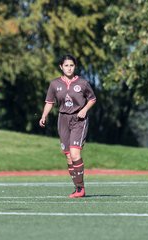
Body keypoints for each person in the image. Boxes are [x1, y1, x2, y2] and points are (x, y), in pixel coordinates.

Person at [39, 54, 96, 198]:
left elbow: (92, 99)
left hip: (79, 119)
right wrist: (44, 115)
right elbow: (50, 102)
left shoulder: (83, 83)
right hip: (63, 119)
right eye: (66, 65)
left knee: (75, 153)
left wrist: (84, 110)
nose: (69, 68)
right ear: (61, 67)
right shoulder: (54, 84)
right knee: (69, 157)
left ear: (75, 67)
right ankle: (77, 188)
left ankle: (81, 189)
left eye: (71, 65)